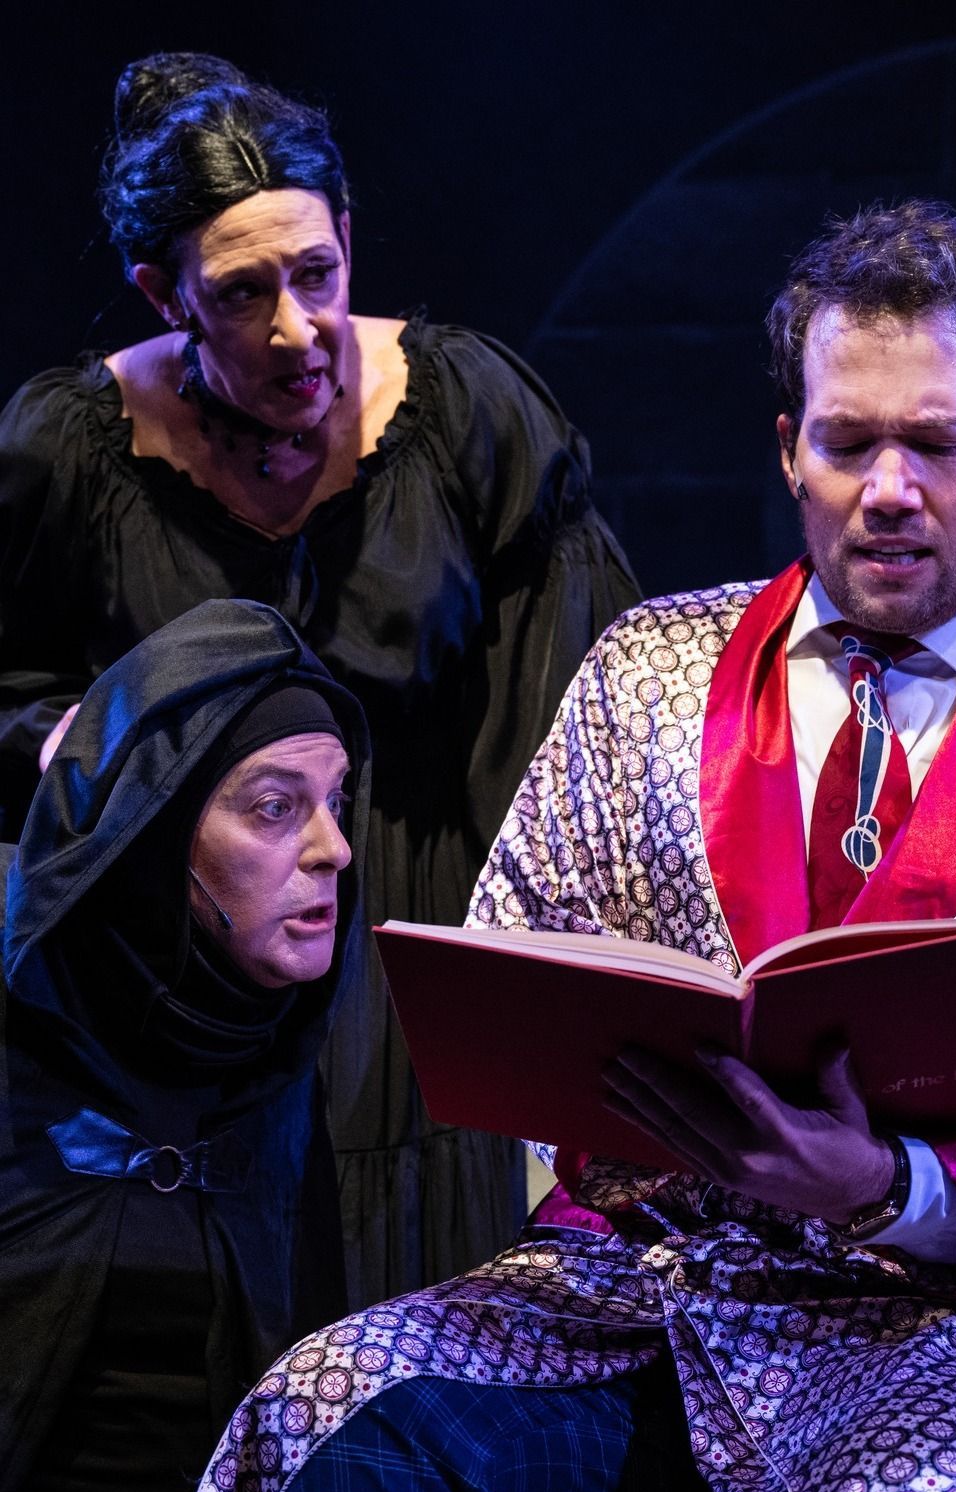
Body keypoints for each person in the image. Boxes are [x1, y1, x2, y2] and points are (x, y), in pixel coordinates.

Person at [166, 200, 956, 1492]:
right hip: (635, 1298)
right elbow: (519, 945)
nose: (886, 487)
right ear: (788, 448)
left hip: (945, 1341)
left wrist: (875, 1182)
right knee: (333, 1416)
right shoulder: (646, 673)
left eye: (934, 442)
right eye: (847, 440)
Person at [0, 52, 639, 1306]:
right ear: (162, 294)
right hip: (195, 979)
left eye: (317, 274)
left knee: (423, 1315)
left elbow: (589, 708)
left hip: (424, 932)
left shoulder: (464, 414)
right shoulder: (70, 456)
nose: (296, 329)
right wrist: (67, 736)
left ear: (348, 237)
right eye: (243, 295)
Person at [0, 598, 370, 1492]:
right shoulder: (23, 1007)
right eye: (273, 807)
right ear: (157, 829)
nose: (333, 848)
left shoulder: (277, 1042)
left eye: (337, 800)